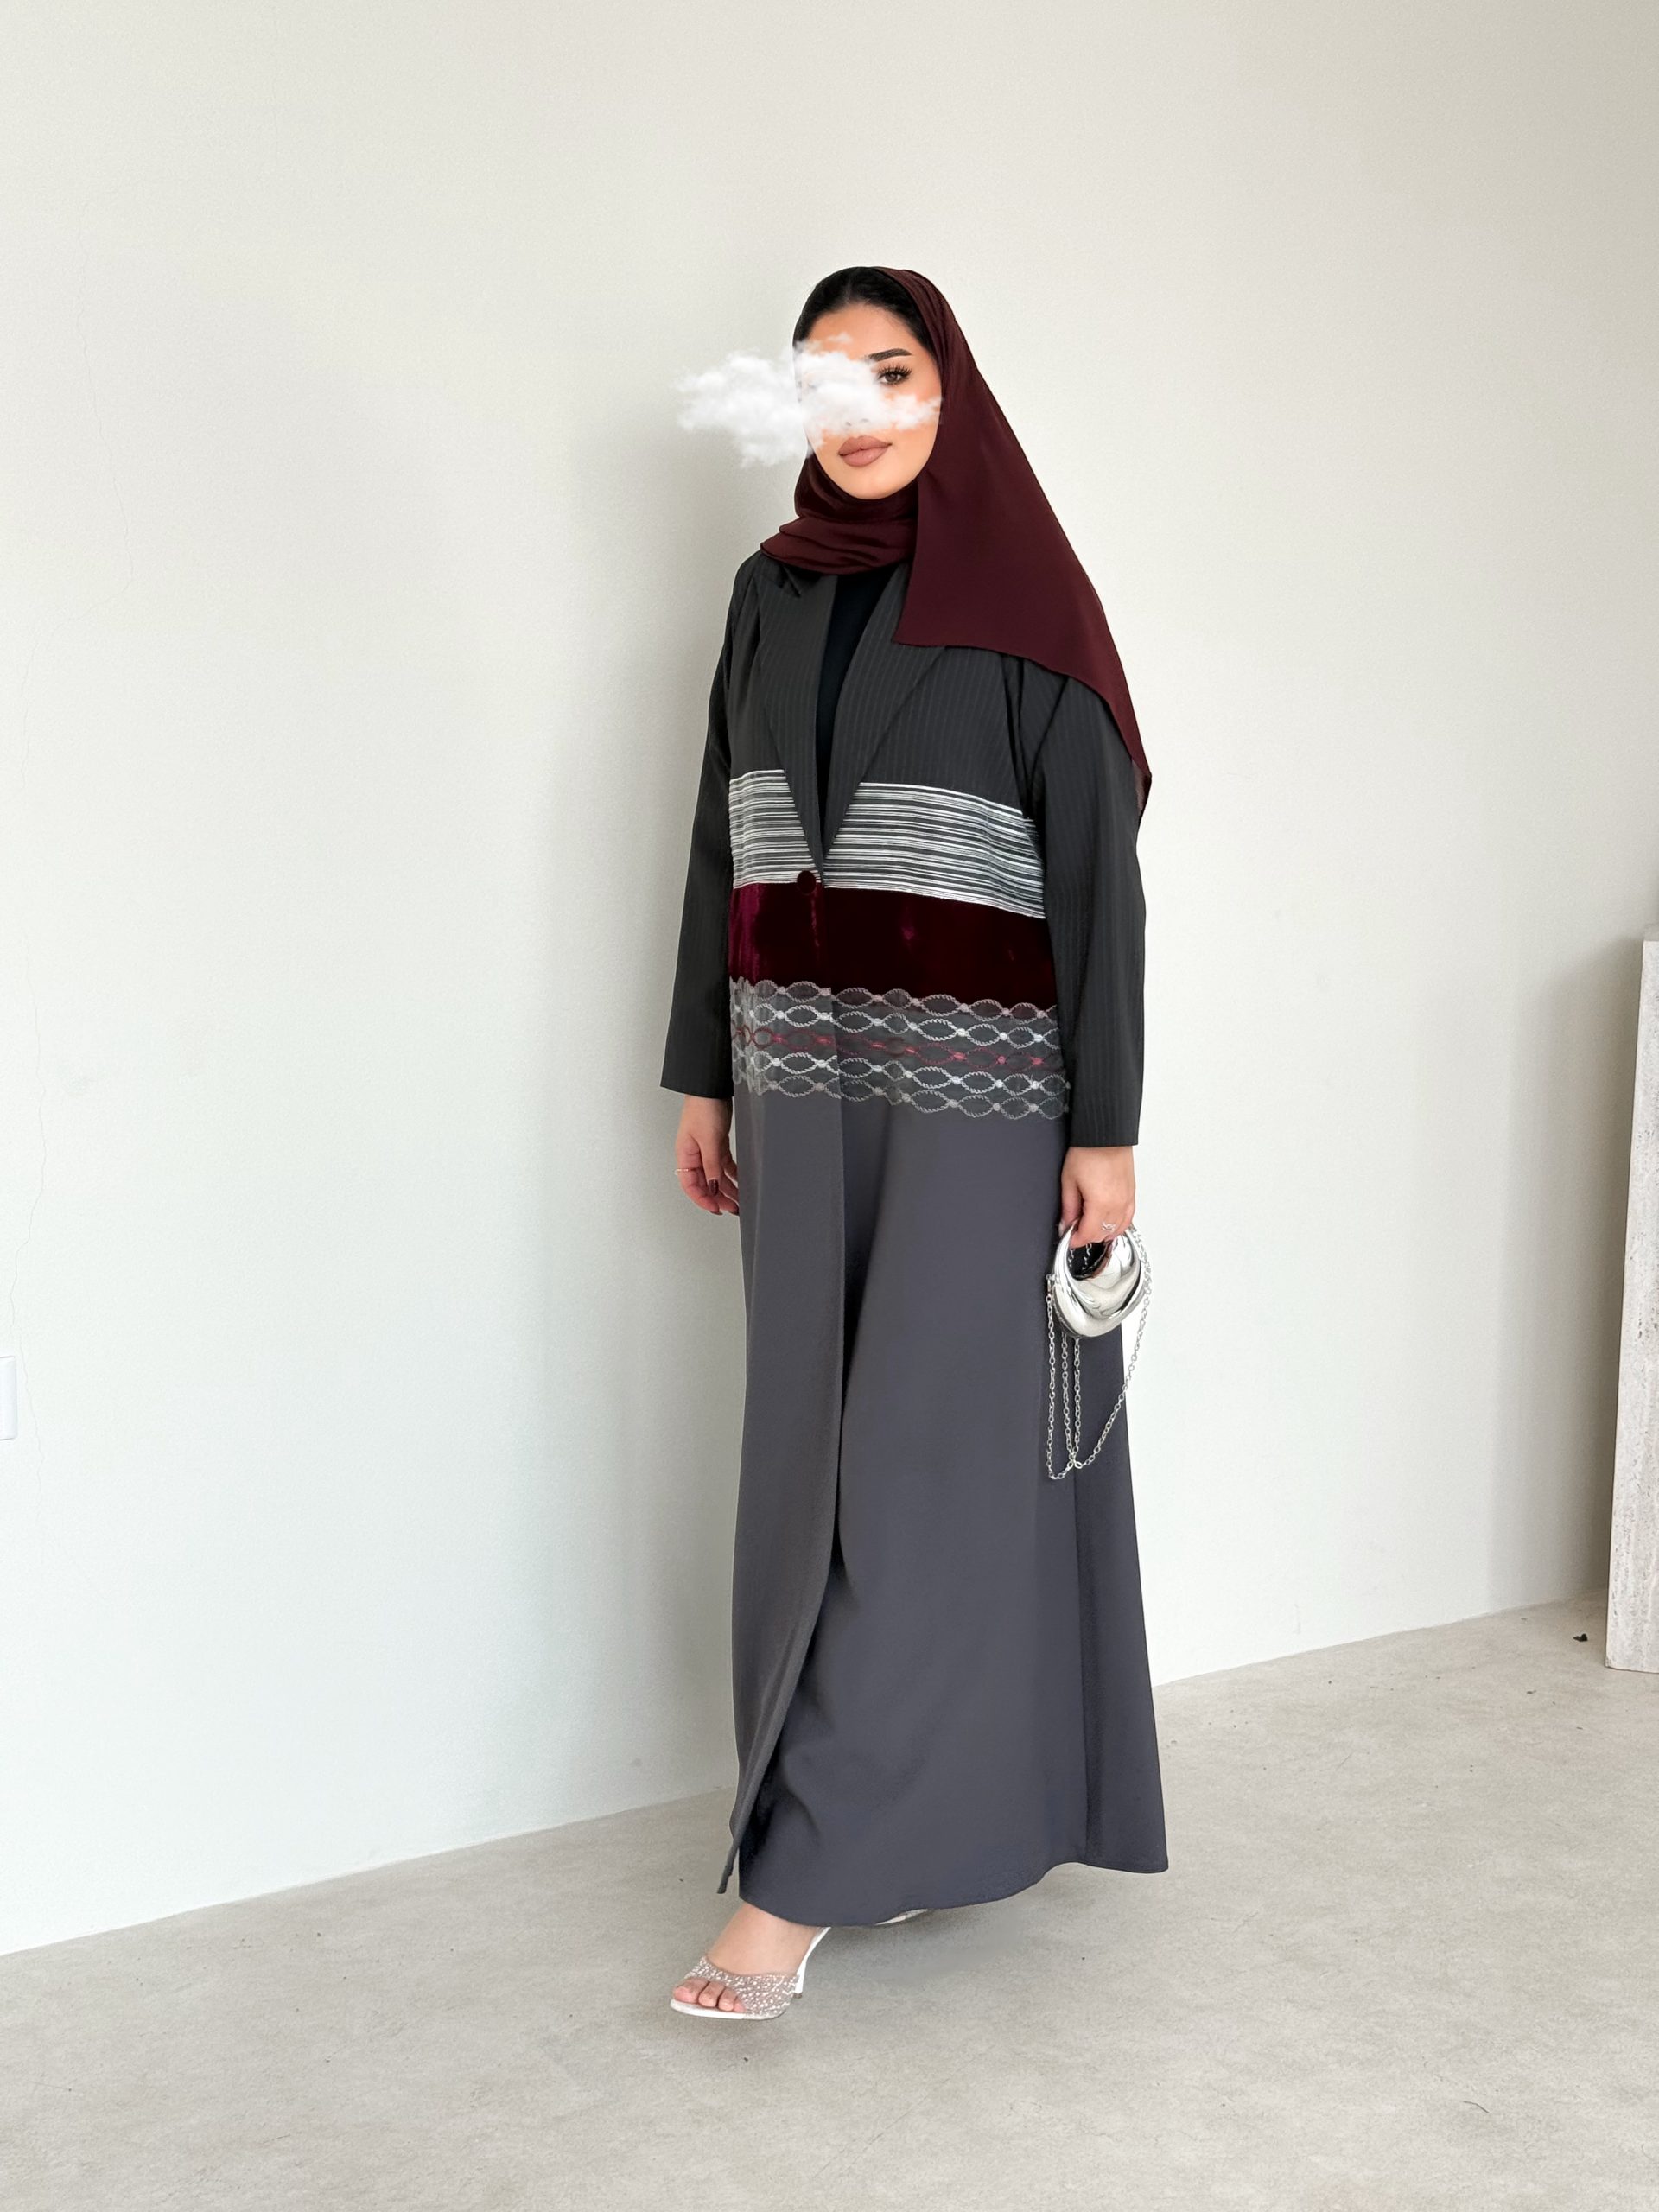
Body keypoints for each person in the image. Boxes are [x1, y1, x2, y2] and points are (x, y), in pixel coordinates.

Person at [659, 266, 1166, 2020]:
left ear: (951, 391)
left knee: (920, 1475)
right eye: (826, 378)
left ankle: (796, 1879)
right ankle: (908, 1817)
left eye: (893, 371)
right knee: (809, 1463)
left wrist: (1109, 1128)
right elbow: (718, 837)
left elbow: (1101, 886)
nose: (859, 409)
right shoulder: (770, 592)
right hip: (797, 1094)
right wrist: (704, 1073)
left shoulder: (1029, 607)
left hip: (980, 1109)